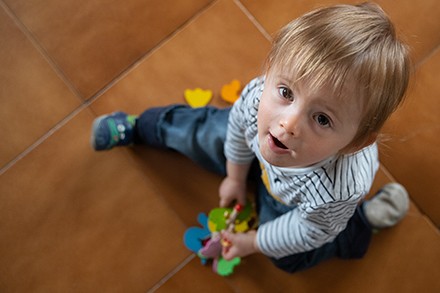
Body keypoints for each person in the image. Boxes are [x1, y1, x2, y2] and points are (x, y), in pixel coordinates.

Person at [90, 2, 411, 273]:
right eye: (286, 92)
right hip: (258, 152)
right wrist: (234, 175)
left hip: (298, 205)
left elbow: (308, 229)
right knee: (203, 129)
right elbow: (235, 131)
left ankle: (361, 223)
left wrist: (252, 242)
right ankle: (139, 127)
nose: (287, 124)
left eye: (322, 118)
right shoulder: (259, 96)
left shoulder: (338, 191)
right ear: (270, 70)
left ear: (355, 143)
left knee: (291, 255)